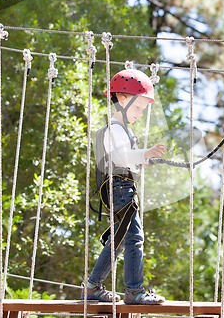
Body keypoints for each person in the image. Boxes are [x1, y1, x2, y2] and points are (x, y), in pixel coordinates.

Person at [82, 69, 167, 304]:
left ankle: (93, 286)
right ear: (121, 99)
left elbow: (124, 160)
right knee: (133, 238)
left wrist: (142, 161)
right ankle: (134, 290)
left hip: (122, 188)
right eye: (138, 107)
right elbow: (120, 157)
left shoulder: (122, 129)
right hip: (119, 190)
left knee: (120, 239)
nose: (140, 113)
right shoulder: (115, 128)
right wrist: (143, 154)